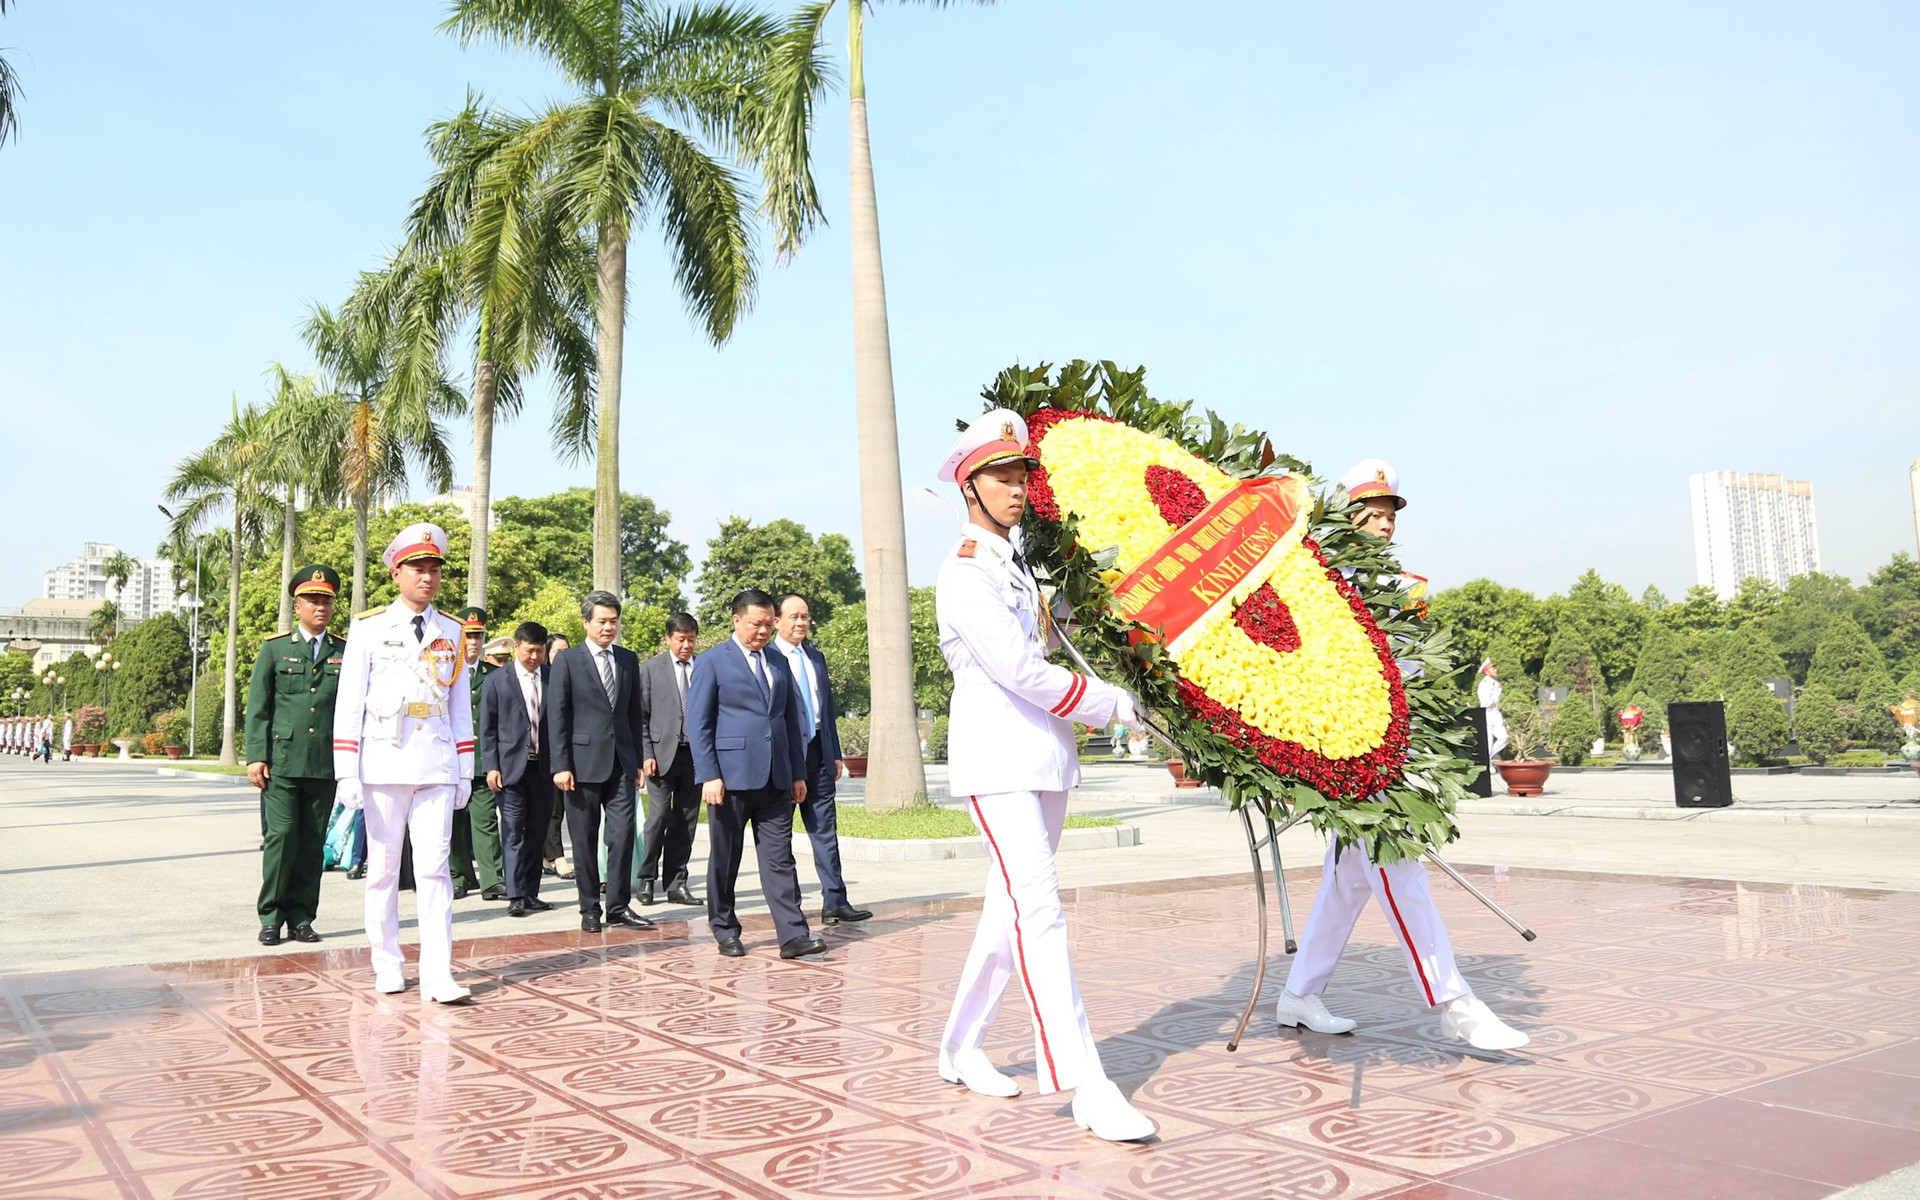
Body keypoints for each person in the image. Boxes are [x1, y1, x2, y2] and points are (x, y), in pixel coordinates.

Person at [933, 408, 1154, 1143]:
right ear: (970, 485)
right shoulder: (964, 571)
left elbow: (1052, 640)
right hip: (997, 760)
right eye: (1000, 475)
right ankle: (1084, 1082)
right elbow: (1023, 671)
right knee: (1041, 910)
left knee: (1010, 913)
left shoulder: (1019, 567)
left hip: (1044, 757)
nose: (1016, 488)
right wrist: (1117, 706)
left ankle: (960, 1045)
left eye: (1022, 474)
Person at [1275, 460, 1528, 1052]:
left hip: (1392, 745)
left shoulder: (1405, 587)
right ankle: (1454, 1002)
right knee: (1399, 870)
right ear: (1347, 515)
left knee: (1348, 884)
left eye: (1390, 515)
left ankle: (1299, 994)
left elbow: (1414, 667)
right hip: (1345, 748)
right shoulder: (1319, 579)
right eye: (1372, 513)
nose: (1383, 524)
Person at [332, 522, 475, 1004]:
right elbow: (349, 702)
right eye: (417, 568)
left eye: (434, 568)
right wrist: (347, 770)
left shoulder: (451, 629)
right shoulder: (369, 627)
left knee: (435, 869)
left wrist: (464, 767)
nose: (427, 577)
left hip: (435, 761)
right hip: (384, 760)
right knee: (384, 870)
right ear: (397, 572)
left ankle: (438, 974)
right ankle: (387, 962)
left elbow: (459, 706)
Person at [685, 588, 824, 960]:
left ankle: (793, 935)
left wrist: (797, 773)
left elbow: (791, 721)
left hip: (777, 777)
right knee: (726, 858)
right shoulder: (713, 661)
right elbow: (698, 725)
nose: (762, 632)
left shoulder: (777, 662)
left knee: (780, 858)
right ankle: (725, 928)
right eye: (755, 624)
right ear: (736, 620)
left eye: (767, 624)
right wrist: (708, 774)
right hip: (730, 779)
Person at [244, 564, 347, 945]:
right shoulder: (275, 648)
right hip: (283, 761)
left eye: (326, 600)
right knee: (282, 837)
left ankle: (302, 917)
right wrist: (256, 755)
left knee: (310, 843)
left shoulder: (344, 651)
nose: (320, 607)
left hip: (324, 761)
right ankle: (271, 915)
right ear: (297, 604)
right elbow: (258, 706)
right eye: (312, 600)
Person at [548, 591, 653, 934]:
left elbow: (633, 714)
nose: (609, 627)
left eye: (613, 621)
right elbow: (558, 716)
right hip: (580, 766)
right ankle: (589, 908)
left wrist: (638, 760)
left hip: (621, 765)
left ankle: (619, 906)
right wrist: (560, 764)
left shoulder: (627, 659)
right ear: (586, 622)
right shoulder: (568, 661)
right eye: (602, 621)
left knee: (622, 837)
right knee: (584, 839)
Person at [773, 593, 871, 925]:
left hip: (818, 754)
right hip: (785, 758)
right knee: (780, 835)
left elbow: (826, 710)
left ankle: (835, 900)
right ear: (776, 621)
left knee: (825, 829)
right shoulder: (767, 658)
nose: (801, 623)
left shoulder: (815, 658)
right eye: (793, 617)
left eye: (805, 616)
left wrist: (836, 754)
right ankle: (791, 908)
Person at [481, 621, 557, 918]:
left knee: (538, 831)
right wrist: (491, 767)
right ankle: (514, 894)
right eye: (530, 651)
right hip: (510, 768)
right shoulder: (498, 681)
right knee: (513, 831)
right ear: (516, 647)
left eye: (540, 651)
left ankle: (531, 892)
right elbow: (487, 729)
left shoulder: (552, 677)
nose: (535, 657)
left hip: (544, 768)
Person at [636, 613, 703, 908]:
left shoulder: (703, 668)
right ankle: (646, 879)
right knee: (659, 817)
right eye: (680, 639)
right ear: (668, 639)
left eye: (691, 639)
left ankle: (677, 882)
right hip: (662, 756)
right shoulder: (651, 669)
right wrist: (646, 754)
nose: (686, 645)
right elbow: (641, 717)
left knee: (686, 822)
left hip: (695, 757)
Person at [449, 606, 505, 903]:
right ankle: (459, 877)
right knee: (455, 823)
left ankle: (492, 879)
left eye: (478, 635)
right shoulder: (445, 671)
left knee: (484, 821)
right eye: (468, 635)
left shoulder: (494, 675)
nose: (473, 642)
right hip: (452, 759)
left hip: (483, 761)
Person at [543, 633, 573, 879]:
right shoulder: (543, 678)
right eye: (557, 652)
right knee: (552, 807)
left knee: (563, 807)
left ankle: (547, 855)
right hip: (546, 751)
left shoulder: (575, 675)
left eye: (566, 651)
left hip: (572, 750)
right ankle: (557, 857)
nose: (562, 656)